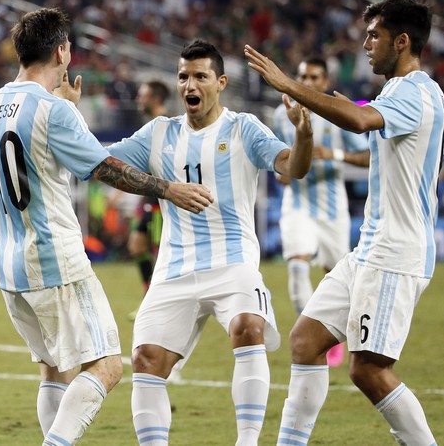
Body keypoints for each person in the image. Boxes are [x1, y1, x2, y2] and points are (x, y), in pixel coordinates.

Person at [0, 8, 212, 446]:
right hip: (57, 262)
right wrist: (168, 189)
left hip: (11, 269)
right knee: (107, 367)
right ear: (61, 51)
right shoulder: (54, 110)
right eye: (70, 45)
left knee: (53, 370)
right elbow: (104, 168)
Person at [245, 0, 444, 444]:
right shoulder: (401, 91)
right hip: (370, 248)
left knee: (369, 369)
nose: (366, 44)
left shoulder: (415, 91)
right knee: (305, 341)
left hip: (397, 252)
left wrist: (288, 84)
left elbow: (358, 121)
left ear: (402, 41)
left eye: (374, 35)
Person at [107, 40, 314, 445]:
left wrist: (304, 135)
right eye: (183, 76)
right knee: (146, 360)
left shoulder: (243, 128)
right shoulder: (159, 133)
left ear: (220, 82)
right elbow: (101, 163)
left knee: (248, 326)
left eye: (200, 76)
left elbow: (294, 166)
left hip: (233, 261)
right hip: (174, 268)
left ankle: (248, 441)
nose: (189, 85)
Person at [272, 57, 369, 367]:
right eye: (302, 76)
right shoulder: (280, 114)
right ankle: (311, 336)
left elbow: (369, 156)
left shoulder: (338, 114)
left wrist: (333, 154)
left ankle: (331, 336)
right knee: (297, 265)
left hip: (332, 209)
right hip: (297, 204)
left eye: (314, 77)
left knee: (334, 277)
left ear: (325, 82)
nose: (308, 82)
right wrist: (281, 171)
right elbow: (276, 159)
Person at [127, 80, 170, 317]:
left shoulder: (163, 125)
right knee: (137, 245)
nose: (137, 100)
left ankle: (158, 305)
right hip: (147, 199)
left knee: (157, 252)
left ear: (155, 98)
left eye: (142, 95)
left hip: (158, 202)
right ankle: (149, 300)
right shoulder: (151, 125)